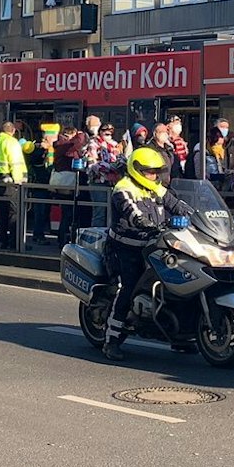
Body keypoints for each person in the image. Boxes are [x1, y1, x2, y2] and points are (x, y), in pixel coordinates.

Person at [100, 146, 194, 361]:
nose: (154, 175)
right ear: (137, 170)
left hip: (154, 245)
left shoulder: (156, 188)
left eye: (156, 172)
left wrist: (196, 216)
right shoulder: (123, 188)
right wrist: (144, 222)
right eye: (149, 172)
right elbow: (131, 212)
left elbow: (175, 204)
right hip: (125, 248)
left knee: (179, 281)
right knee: (128, 287)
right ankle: (111, 340)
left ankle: (181, 335)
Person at [0, 120, 26, 251]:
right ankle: (15, 243)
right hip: (9, 181)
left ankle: (3, 241)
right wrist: (19, 180)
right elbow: (16, 163)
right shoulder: (12, 142)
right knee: (14, 213)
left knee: (2, 213)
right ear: (13, 131)